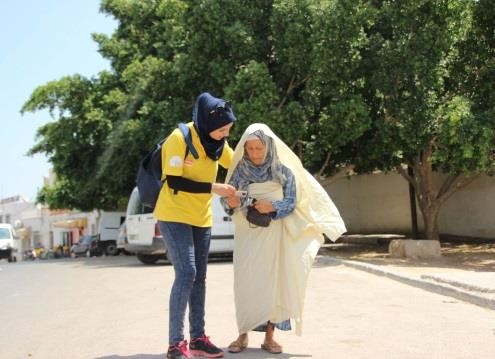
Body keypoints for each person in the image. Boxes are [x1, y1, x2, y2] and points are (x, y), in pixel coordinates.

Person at [221, 123, 346, 354]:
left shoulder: (283, 170)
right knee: (245, 283)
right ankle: (242, 335)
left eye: (259, 148)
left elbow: (292, 202)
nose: (255, 153)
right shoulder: (239, 170)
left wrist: (272, 206)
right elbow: (228, 200)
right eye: (250, 148)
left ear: (268, 146)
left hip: (275, 234)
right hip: (247, 235)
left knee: (274, 285)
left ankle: (269, 337)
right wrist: (230, 203)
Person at [153, 92, 237, 359]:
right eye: (221, 130)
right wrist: (215, 188)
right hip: (174, 214)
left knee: (200, 277)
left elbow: (239, 164)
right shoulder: (179, 139)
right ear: (207, 124)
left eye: (228, 130)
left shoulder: (219, 146)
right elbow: (175, 181)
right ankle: (175, 344)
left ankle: (198, 339)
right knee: (187, 273)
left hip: (201, 218)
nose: (225, 135)